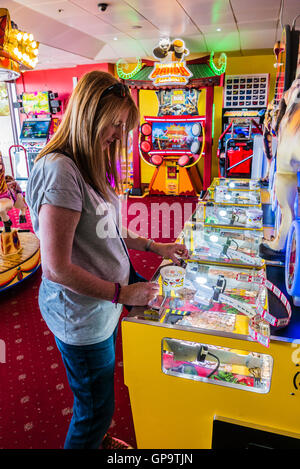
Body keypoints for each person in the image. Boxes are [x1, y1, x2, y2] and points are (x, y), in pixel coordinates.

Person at [25, 70, 189, 450]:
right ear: (88, 113)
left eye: (122, 125)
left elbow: (107, 228)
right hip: (81, 316)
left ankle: (97, 441)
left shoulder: (88, 160)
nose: (118, 134)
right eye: (114, 123)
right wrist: (122, 293)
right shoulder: (61, 171)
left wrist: (155, 247)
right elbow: (56, 268)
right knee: (94, 409)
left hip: (102, 305)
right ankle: (91, 438)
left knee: (100, 397)